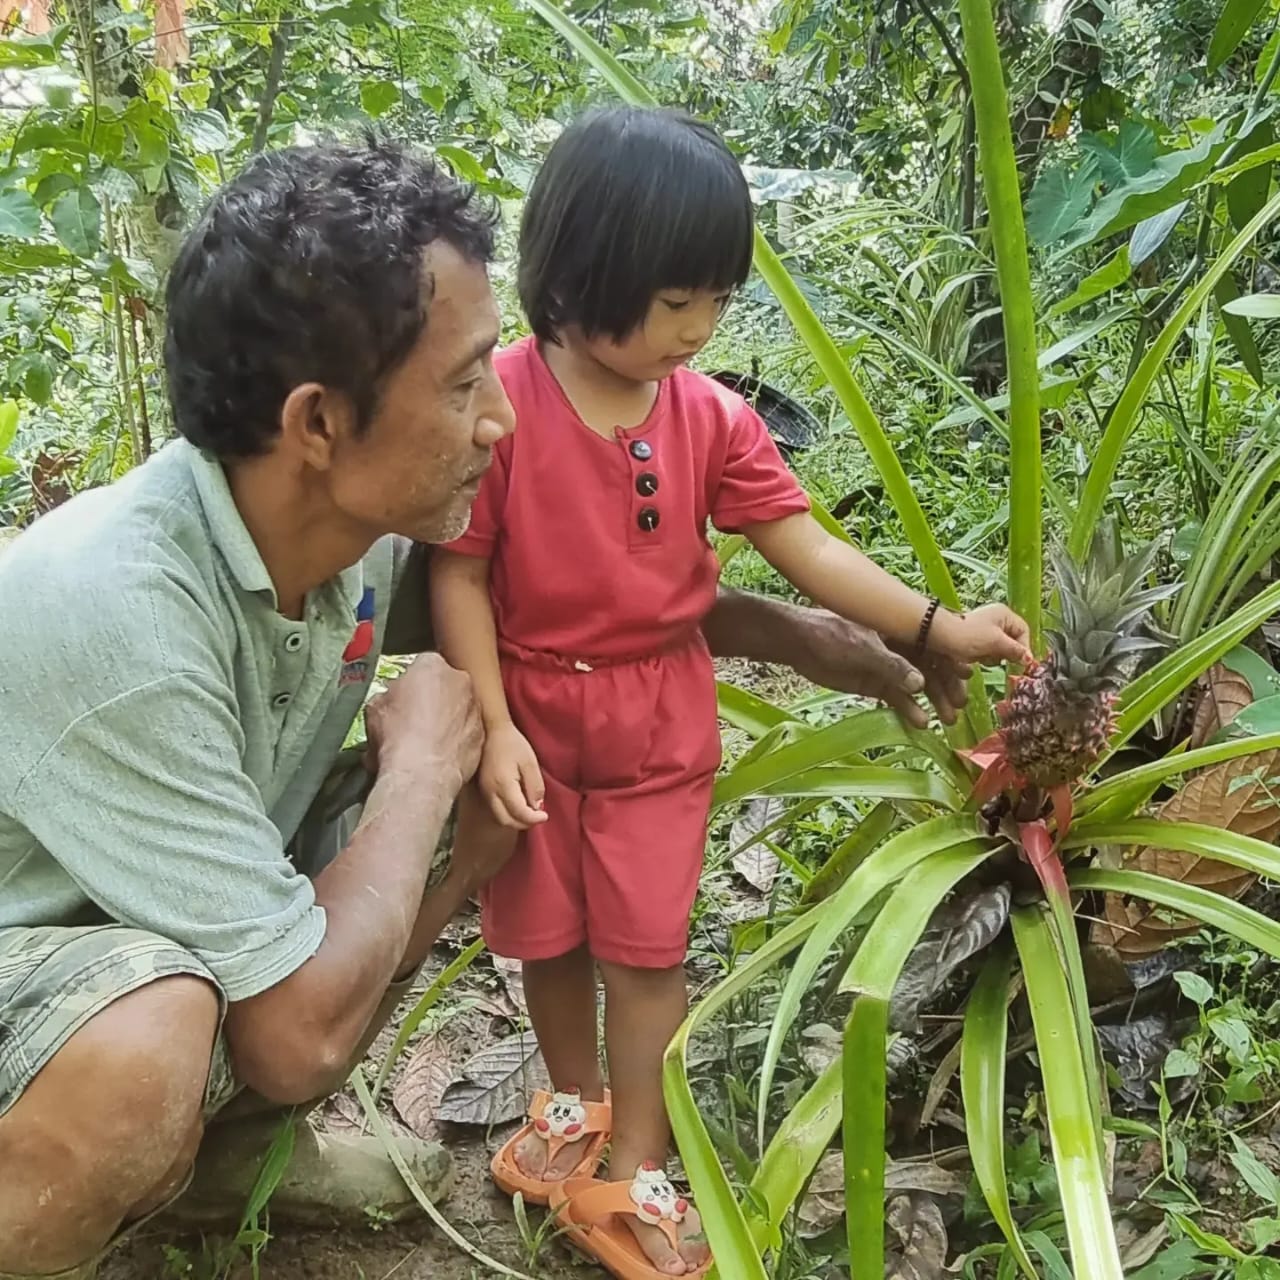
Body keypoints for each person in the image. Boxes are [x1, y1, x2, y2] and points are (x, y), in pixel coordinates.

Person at [0, 140, 975, 1280]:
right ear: (318, 422)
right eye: (466, 384)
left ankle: (226, 1156)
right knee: (148, 1038)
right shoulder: (121, 614)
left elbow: (583, 603)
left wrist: (803, 633)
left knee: (459, 783)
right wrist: (418, 770)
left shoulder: (345, 533)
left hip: (172, 912)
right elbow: (292, 1026)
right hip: (41, 949)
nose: (501, 420)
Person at [431, 108, 1031, 1280]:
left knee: (647, 948)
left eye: (713, 300)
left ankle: (636, 1164)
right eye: (673, 301)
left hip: (660, 718)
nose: (697, 328)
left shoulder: (709, 416)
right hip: (535, 718)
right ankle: (570, 1103)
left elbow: (801, 542)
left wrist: (928, 622)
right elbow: (458, 568)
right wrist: (493, 722)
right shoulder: (500, 403)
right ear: (587, 270)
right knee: (546, 932)